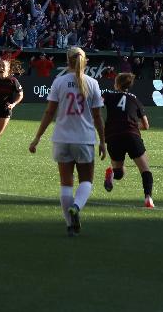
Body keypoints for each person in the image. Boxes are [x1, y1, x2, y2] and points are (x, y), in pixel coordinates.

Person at [29, 47, 106, 236]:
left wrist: (37, 138)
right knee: (86, 180)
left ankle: (70, 224)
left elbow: (49, 112)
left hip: (62, 138)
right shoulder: (93, 83)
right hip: (84, 139)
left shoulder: (59, 82)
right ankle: (77, 207)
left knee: (65, 184)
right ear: (85, 61)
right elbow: (97, 116)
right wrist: (103, 141)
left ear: (67, 61)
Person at [101, 72, 155, 208]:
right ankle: (148, 198)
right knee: (145, 169)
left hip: (113, 136)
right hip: (131, 135)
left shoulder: (108, 95)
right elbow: (146, 125)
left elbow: (96, 106)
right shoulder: (135, 99)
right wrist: (131, 124)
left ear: (117, 84)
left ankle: (112, 173)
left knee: (119, 173)